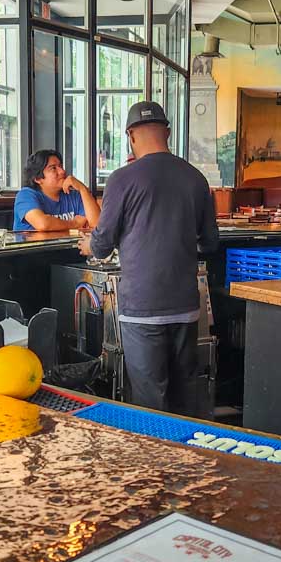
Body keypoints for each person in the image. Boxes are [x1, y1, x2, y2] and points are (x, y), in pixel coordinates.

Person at [79, 100, 218, 414]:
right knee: (186, 397)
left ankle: (156, 461)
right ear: (167, 132)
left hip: (142, 308)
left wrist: (90, 245)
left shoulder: (122, 179)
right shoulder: (196, 179)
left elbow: (102, 245)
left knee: (149, 402)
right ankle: (190, 459)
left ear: (130, 135)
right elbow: (210, 242)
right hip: (185, 306)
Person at [12, 149, 100, 232]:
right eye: (53, 168)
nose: (62, 171)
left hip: (71, 247)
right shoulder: (26, 195)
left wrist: (82, 188)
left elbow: (98, 225)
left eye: (61, 166)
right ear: (38, 178)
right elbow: (43, 224)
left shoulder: (74, 195)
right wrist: (75, 223)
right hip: (37, 247)